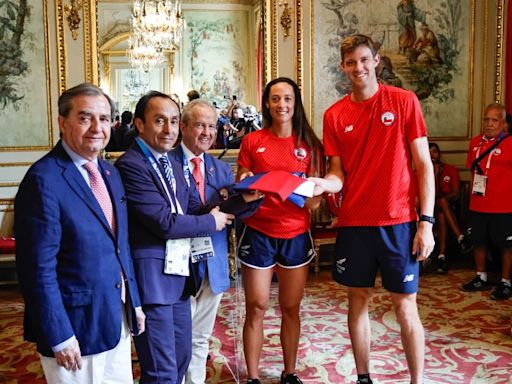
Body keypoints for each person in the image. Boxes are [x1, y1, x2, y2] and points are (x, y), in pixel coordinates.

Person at [309, 34, 435, 384]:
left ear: (376, 60)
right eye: (351, 62)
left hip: (398, 221)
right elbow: (338, 173)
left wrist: (426, 222)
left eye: (365, 60)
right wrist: (323, 184)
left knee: (405, 305)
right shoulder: (334, 115)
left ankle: (417, 380)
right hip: (354, 223)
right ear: (343, 66)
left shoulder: (405, 101)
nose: (358, 68)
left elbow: (423, 165)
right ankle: (364, 377)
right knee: (357, 300)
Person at [15, 83, 145, 383]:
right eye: (85, 117)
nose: (97, 128)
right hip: (74, 326)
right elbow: (36, 269)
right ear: (62, 122)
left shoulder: (109, 173)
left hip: (115, 318)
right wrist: (59, 335)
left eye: (104, 118)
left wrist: (134, 302)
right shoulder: (43, 180)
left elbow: (120, 246)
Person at [115, 91, 234, 384]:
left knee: (181, 359)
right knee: (161, 370)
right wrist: (211, 221)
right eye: (159, 121)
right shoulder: (132, 165)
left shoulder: (168, 162)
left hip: (179, 276)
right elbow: (164, 223)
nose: (168, 129)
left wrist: (235, 202)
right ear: (140, 125)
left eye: (171, 120)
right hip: (153, 279)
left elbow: (190, 206)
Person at [236, 77, 324, 384]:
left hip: (295, 233)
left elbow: (313, 205)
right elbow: (242, 188)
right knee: (256, 305)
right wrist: (250, 181)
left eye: (287, 99)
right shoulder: (252, 141)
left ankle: (289, 373)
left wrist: (306, 190)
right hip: (258, 230)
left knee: (290, 306)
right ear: (267, 103)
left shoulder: (309, 145)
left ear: (295, 103)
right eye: (275, 99)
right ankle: (253, 377)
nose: (281, 105)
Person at [169, 99, 261, 384]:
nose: (207, 132)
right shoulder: (166, 164)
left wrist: (252, 197)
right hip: (177, 268)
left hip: (213, 264)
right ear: (183, 127)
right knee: (176, 340)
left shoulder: (221, 169)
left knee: (200, 338)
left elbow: (232, 212)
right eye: (199, 125)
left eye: (212, 125)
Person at [461, 103, 512, 300]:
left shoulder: (509, 142)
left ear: (504, 124)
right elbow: (471, 169)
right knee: (478, 242)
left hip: (504, 206)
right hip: (478, 204)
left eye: (495, 120)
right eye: (487, 119)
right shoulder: (475, 143)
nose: (489, 124)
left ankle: (506, 282)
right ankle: (480, 277)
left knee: (506, 246)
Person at [429, 142, 471, 274]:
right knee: (440, 206)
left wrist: (443, 200)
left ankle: (442, 257)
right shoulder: (423, 170)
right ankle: (460, 238)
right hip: (430, 209)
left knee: (442, 213)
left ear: (439, 154)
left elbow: (457, 193)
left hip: (451, 208)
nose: (432, 155)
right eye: (429, 152)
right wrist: (434, 175)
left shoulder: (450, 169)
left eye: (434, 152)